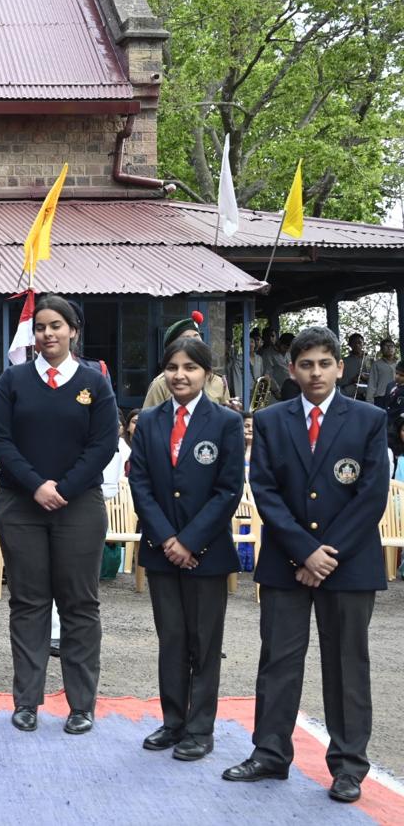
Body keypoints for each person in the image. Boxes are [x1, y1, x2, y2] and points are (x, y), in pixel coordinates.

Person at [221, 326, 389, 804]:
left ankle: (349, 767)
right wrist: (303, 551)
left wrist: (325, 553)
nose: (316, 372)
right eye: (307, 364)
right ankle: (270, 753)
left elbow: (371, 495)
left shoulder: (369, 419)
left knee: (347, 664)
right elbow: (265, 490)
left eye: (325, 363)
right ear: (292, 369)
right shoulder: (271, 420)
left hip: (348, 563)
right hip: (286, 562)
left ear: (338, 367)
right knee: (278, 659)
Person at [0, 294, 118, 736]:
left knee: (80, 604)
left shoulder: (95, 383)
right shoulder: (13, 380)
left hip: (78, 507)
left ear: (73, 330)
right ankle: (27, 702)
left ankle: (81, 705)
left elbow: (103, 443)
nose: (48, 334)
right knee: (29, 602)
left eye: (57, 325)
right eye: (40, 327)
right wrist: (36, 485)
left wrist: (64, 488)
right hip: (21, 504)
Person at [128, 337, 245, 762]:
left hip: (207, 552)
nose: (180, 375)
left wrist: (190, 541)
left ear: (207, 375)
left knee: (204, 641)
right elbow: (140, 484)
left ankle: (200, 728)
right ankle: (173, 721)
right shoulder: (150, 420)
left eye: (190, 367)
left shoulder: (225, 422)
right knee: (172, 638)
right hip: (162, 551)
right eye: (172, 367)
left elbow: (228, 489)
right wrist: (168, 539)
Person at [142, 312, 229, 408]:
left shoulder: (218, 382)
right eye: (187, 339)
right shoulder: (160, 385)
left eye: (196, 336)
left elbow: (226, 414)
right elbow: (149, 416)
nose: (194, 342)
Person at [366, 337, 397, 408]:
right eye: (386, 346)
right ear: (381, 349)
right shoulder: (376, 364)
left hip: (397, 397)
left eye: (391, 346)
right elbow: (372, 384)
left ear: (394, 349)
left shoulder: (399, 364)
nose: (389, 348)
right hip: (381, 398)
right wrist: (369, 402)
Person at [338, 333, 366, 399]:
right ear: (350, 345)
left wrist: (367, 378)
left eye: (359, 342)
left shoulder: (371, 361)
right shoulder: (343, 362)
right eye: (354, 343)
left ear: (363, 344)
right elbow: (338, 382)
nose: (357, 345)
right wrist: (351, 380)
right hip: (349, 397)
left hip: (368, 397)